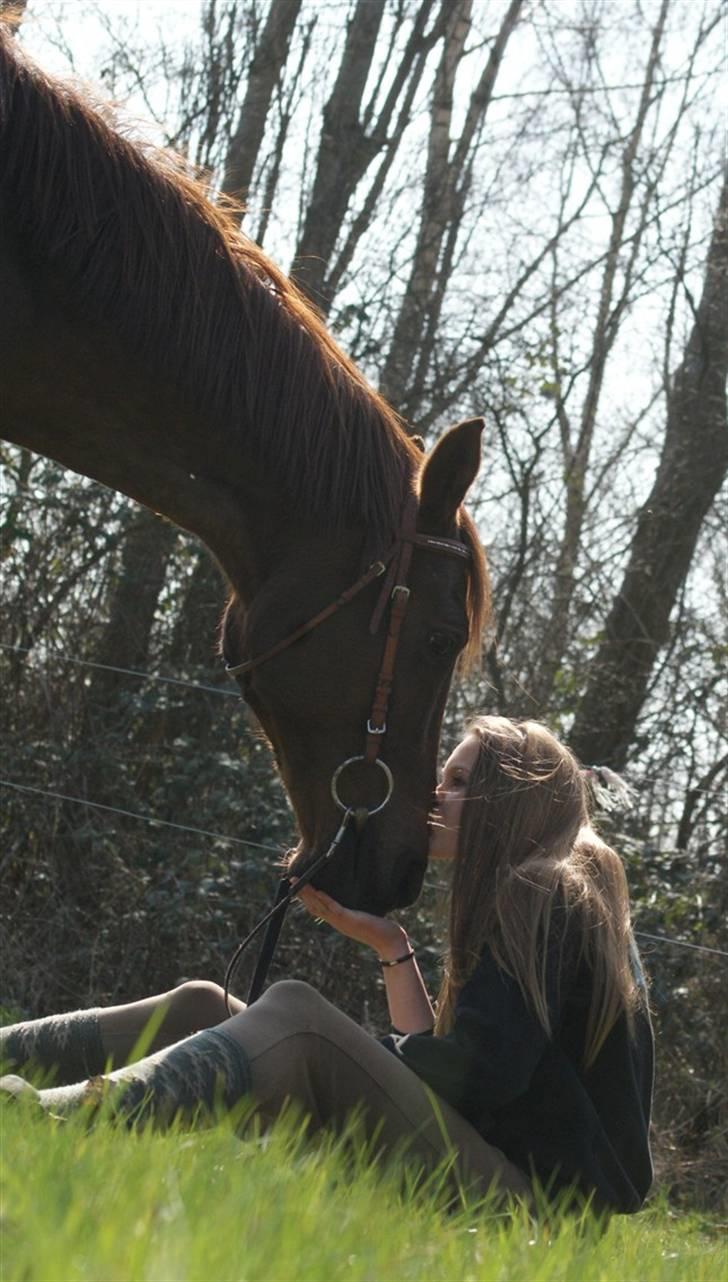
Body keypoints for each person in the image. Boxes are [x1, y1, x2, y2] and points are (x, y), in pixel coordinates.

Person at [1, 717, 654, 1216]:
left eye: (458, 782)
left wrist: (352, 1055)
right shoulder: (555, 890)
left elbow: (474, 1079)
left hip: (528, 1208)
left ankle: (58, 1120)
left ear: (507, 803)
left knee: (297, 1018)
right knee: (205, 1002)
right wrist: (390, 947)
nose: (434, 794)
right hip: (495, 1170)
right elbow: (465, 1067)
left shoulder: (539, 890)